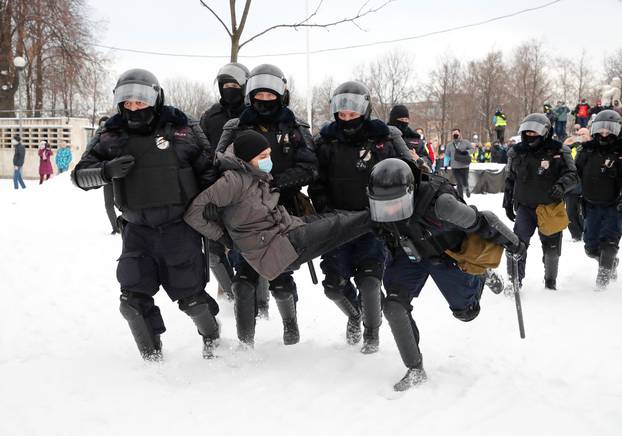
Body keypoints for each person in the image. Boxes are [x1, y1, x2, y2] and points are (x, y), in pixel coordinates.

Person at [71, 68, 219, 361]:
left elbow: (210, 171)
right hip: (138, 231)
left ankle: (212, 336)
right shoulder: (111, 134)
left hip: (180, 227)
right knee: (131, 302)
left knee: (191, 299)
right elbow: (79, 176)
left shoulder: (183, 127)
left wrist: (214, 210)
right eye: (128, 103)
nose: (134, 108)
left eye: (140, 102)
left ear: (156, 98)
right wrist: (105, 171)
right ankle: (152, 360)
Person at [186, 130, 372, 346]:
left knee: (335, 224)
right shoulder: (232, 182)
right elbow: (193, 214)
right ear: (246, 158)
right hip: (274, 248)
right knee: (337, 225)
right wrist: (224, 237)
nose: (268, 161)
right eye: (262, 156)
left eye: (269, 155)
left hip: (285, 231)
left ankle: (375, 219)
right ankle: (379, 217)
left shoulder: (253, 174)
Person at [367, 158, 526, 391]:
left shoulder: (441, 204)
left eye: (396, 204)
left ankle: (482, 274)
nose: (390, 210)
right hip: (409, 253)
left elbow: (484, 221)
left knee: (466, 313)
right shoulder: (376, 204)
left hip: (448, 254)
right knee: (393, 307)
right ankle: (415, 369)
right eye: (383, 206)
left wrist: (514, 244)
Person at [215, 64, 318, 346]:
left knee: (281, 279)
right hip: (244, 210)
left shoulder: (295, 127)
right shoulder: (236, 127)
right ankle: (245, 342)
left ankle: (290, 325)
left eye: (270, 95)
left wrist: (277, 182)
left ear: (281, 95)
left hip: (283, 209)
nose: (264, 100)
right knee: (243, 281)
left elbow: (310, 167)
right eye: (259, 94)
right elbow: (220, 161)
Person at [309, 81, 411, 354]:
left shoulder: (385, 138)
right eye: (342, 114)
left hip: (374, 223)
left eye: (352, 114)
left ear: (364, 110)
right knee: (333, 287)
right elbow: (315, 178)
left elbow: (408, 169)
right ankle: (354, 315)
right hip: (337, 223)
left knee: (369, 281)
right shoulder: (326, 140)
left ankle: (371, 332)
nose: (347, 119)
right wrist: (321, 202)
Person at [503, 113, 578, 290]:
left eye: (534, 132)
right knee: (516, 244)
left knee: (551, 249)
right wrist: (507, 201)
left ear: (545, 132)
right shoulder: (516, 152)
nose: (531, 135)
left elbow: (573, 175)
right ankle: (514, 280)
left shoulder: (559, 150)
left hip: (550, 207)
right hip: (525, 207)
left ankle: (550, 282)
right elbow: (510, 178)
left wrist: (562, 185)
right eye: (527, 132)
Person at [200, 62, 250, 303]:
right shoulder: (210, 117)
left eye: (234, 85)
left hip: (247, 191)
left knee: (245, 250)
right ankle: (231, 295)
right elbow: (200, 153)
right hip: (215, 190)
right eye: (225, 85)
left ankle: (252, 298)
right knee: (213, 252)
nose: (230, 89)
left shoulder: (253, 113)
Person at [575, 110, 622, 289]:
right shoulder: (587, 150)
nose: (604, 133)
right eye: (601, 130)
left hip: (614, 205)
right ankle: (610, 262)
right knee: (591, 248)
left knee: (609, 243)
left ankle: (601, 285)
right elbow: (575, 173)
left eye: (609, 130)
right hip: (591, 204)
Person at [563, 127, 591, 241]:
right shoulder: (570, 147)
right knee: (570, 212)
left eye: (583, 134)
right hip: (572, 186)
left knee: (586, 212)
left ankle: (587, 232)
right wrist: (567, 145)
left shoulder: (591, 148)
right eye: (578, 134)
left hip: (587, 186)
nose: (580, 136)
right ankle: (576, 234)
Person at [96, 116, 120, 235]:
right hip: (106, 174)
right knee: (108, 203)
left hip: (118, 174)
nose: (104, 127)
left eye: (105, 124)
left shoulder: (117, 135)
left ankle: (129, 222)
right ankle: (116, 228)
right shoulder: (97, 138)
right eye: (101, 125)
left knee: (120, 202)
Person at [444, 128, 474, 199]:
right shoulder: (449, 145)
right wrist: (445, 165)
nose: (455, 135)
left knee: (465, 181)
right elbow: (447, 155)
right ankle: (461, 198)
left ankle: (466, 188)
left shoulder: (466, 142)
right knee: (459, 183)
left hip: (465, 166)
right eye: (454, 133)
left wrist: (467, 152)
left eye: (456, 133)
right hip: (455, 167)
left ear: (460, 134)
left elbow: (473, 149)